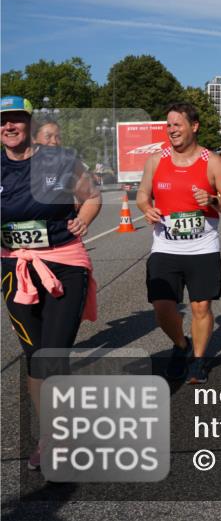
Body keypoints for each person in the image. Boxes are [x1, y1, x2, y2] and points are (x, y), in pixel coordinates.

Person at [1, 96, 102, 471]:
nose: (8, 127)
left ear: (29, 122)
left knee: (52, 355)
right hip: (16, 270)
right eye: (2, 122)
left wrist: (85, 218)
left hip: (63, 266)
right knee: (34, 357)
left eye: (15, 120)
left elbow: (90, 195)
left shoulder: (59, 159)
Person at [136, 103, 221, 384]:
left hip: (202, 247)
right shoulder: (156, 160)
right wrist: (147, 208)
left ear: (194, 127)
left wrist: (214, 200)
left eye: (177, 125)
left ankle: (199, 359)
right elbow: (143, 194)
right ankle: (181, 344)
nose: (171, 130)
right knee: (162, 307)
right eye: (168, 125)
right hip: (165, 247)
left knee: (201, 307)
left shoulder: (212, 161)